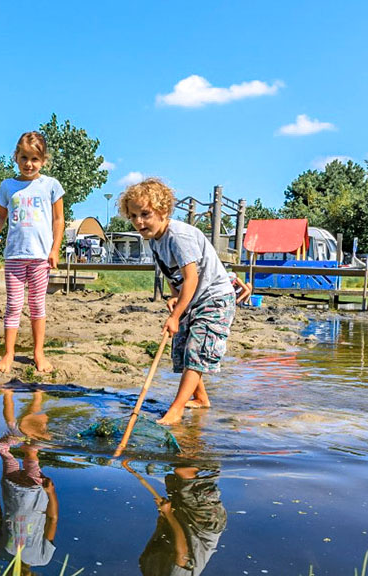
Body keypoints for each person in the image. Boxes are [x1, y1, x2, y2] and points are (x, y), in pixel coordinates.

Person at [119, 178, 235, 425]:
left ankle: (176, 408)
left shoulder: (178, 236)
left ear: (163, 211)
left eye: (145, 214)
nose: (139, 221)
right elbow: (174, 276)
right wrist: (174, 297)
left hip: (214, 298)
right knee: (183, 349)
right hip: (192, 299)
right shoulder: (155, 242)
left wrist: (174, 316)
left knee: (198, 349)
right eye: (134, 216)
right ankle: (201, 398)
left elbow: (191, 278)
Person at [0, 131, 65, 373]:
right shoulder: (8, 186)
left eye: (34, 159)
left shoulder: (50, 185)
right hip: (14, 256)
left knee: (37, 305)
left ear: (43, 160)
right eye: (24, 158)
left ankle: (38, 353)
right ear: (16, 157)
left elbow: (59, 219)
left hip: (40, 257)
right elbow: (1, 217)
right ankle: (8, 354)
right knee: (12, 305)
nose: (29, 164)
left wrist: (55, 249)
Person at [0, 389, 58, 569]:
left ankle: (9, 394)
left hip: (11, 488)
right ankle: (39, 397)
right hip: (35, 491)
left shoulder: (0, 553)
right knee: (32, 452)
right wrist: (51, 493)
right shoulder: (41, 558)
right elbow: (52, 519)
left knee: (2, 447)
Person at [126, 460, 227, 576]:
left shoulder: (146, 566)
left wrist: (163, 515)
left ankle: (196, 454)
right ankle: (210, 459)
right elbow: (182, 554)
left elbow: (161, 535)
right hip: (204, 527)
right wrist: (168, 513)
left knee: (177, 472)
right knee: (185, 471)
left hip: (182, 520)